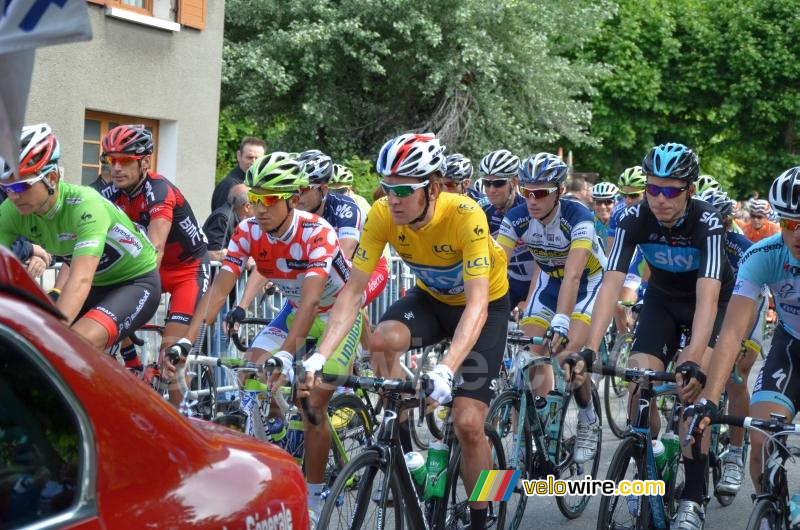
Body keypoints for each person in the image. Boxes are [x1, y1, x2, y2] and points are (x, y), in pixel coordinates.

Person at [310, 133, 509, 530]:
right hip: (431, 300)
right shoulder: (383, 213)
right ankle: (404, 446)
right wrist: (319, 356)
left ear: (433, 188)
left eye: (403, 190)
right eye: (386, 187)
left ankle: (485, 514)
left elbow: (477, 305)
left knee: (469, 424)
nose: (392, 198)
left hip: (483, 307)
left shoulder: (466, 214)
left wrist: (447, 369)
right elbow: (351, 293)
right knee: (380, 340)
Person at [165, 152, 360, 525]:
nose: (259, 208)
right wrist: (188, 341)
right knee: (249, 373)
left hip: (335, 316)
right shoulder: (248, 231)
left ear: (293, 198)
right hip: (296, 312)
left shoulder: (317, 231)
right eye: (255, 198)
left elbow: (312, 300)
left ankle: (313, 499)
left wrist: (286, 354)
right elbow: (219, 290)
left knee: (314, 401)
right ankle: (273, 453)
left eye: (270, 199)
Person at [567, 142, 734, 529]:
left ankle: (693, 497)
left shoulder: (707, 222)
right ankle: (648, 461)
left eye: (670, 191)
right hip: (662, 301)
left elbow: (708, 299)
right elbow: (610, 284)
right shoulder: (632, 217)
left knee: (693, 399)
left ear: (690, 190)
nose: (659, 199)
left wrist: (693, 357)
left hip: (709, 303)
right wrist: (590, 348)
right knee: (639, 383)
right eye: (653, 189)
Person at [688, 168, 800, 524]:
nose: (798, 233)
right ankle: (772, 512)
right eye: (791, 223)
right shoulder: (764, 254)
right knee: (762, 440)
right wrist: (709, 399)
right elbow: (733, 332)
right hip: (791, 346)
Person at [0, 124, 160, 349]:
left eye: (21, 186)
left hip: (134, 283)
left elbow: (80, 278)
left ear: (52, 178)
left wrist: (50, 339)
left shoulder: (85, 205)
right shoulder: (11, 211)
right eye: (6, 188)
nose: (13, 196)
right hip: (95, 286)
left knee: (69, 347)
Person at [498, 152, 607, 464]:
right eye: (527, 191)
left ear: (559, 190)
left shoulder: (578, 216)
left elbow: (573, 274)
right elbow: (495, 266)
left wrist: (561, 319)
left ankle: (588, 418)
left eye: (541, 192)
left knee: (566, 357)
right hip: (549, 282)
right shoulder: (517, 217)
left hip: (586, 283)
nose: (532, 200)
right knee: (529, 351)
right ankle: (538, 425)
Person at [101, 124, 209, 371]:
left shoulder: (159, 190)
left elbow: (155, 247)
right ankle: (132, 361)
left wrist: (138, 300)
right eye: (111, 160)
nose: (116, 168)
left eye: (125, 160)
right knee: (106, 306)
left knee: (171, 359)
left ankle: (176, 393)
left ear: (145, 162)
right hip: (151, 268)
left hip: (187, 271)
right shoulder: (109, 194)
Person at [692, 188, 765, 496]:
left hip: (749, 308)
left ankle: (735, 454)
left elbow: (752, 302)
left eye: (718, 221)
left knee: (736, 378)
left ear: (727, 221)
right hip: (716, 307)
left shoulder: (742, 247)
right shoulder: (694, 240)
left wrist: (740, 343)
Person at [477, 149, 535, 310]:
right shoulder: (483, 210)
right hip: (510, 280)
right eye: (486, 183)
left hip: (539, 280)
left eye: (498, 183)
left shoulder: (530, 208)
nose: (491, 189)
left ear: (514, 182)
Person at [607, 166, 649, 334]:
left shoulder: (660, 213)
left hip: (655, 266)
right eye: (624, 195)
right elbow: (611, 251)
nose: (628, 200)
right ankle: (623, 342)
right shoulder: (618, 212)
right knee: (621, 305)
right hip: (635, 265)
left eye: (634, 196)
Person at [210, 136, 266, 211]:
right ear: (239, 156)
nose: (254, 162)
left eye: (258, 159)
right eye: (249, 157)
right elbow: (222, 217)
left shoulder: (260, 183)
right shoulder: (228, 186)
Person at [202, 183, 252, 262]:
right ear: (247, 207)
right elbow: (216, 252)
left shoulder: (237, 218)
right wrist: (243, 258)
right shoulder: (222, 218)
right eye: (255, 203)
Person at [590, 181, 619, 251]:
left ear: (616, 203)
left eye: (608, 202)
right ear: (593, 204)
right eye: (598, 202)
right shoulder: (588, 219)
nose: (602, 207)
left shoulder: (623, 220)